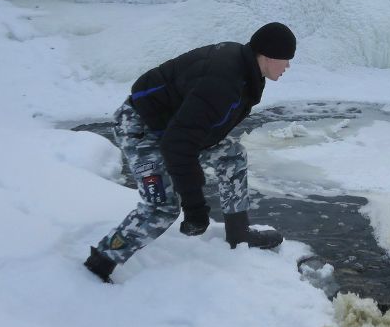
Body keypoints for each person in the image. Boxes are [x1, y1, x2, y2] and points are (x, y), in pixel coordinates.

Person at [83, 22, 296, 283]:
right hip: (140, 128)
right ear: (268, 55)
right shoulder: (224, 80)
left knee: (232, 156)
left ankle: (239, 235)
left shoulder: (246, 71)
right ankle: (99, 264)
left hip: (172, 129)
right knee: (162, 208)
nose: (288, 66)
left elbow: (191, 131)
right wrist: (195, 208)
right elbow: (178, 145)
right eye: (286, 59)